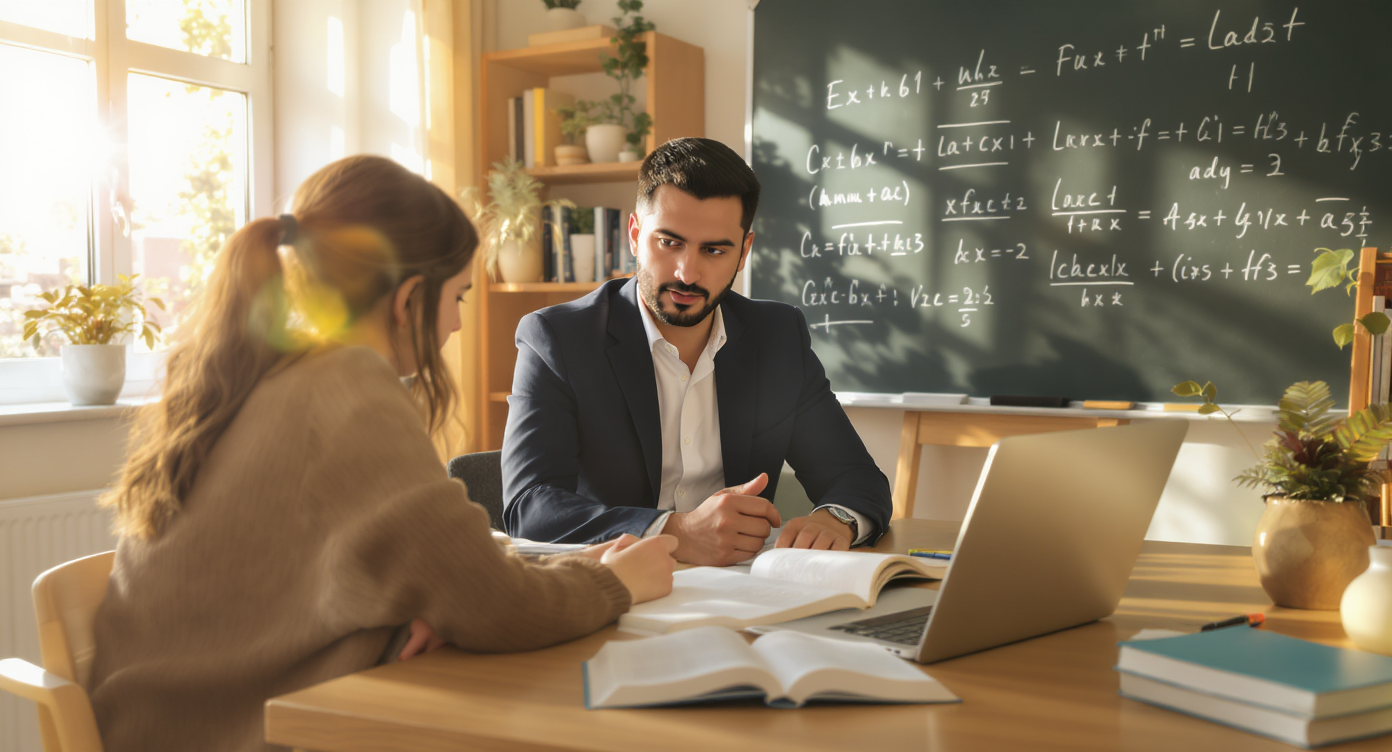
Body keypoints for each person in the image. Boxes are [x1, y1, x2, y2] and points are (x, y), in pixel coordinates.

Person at [87, 155, 676, 752]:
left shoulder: (250, 372)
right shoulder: (345, 388)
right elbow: (495, 605)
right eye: (459, 297)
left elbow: (417, 571)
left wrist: (439, 611)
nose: (455, 322)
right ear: (409, 298)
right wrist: (615, 586)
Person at [502, 137, 892, 566]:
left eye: (714, 249)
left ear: (743, 252)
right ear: (635, 235)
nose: (687, 273)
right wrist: (676, 532)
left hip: (743, 590)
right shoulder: (558, 338)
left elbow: (855, 476)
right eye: (669, 243)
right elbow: (530, 507)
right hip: (614, 585)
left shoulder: (777, 336)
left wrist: (836, 519)